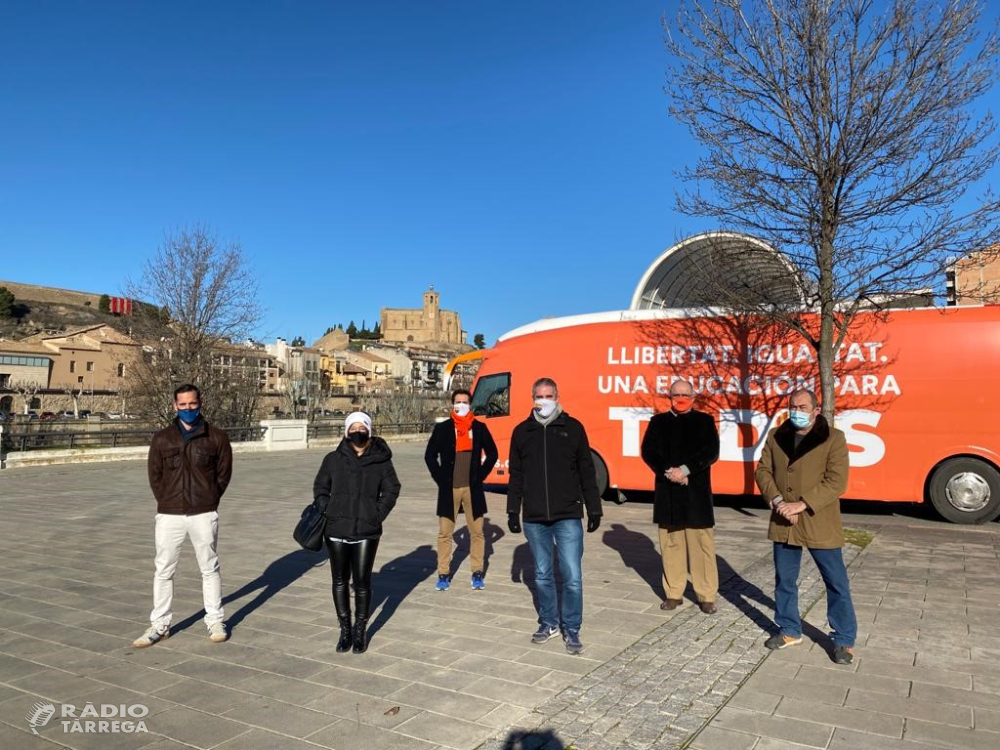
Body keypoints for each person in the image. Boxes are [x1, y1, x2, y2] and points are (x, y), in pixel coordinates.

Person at [755, 388, 857, 665]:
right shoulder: (777, 435)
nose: (796, 411)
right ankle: (789, 629)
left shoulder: (834, 438)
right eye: (792, 406)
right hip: (783, 519)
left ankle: (843, 639)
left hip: (817, 520)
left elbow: (836, 481)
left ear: (815, 409)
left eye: (802, 406)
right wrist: (777, 501)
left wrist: (801, 504)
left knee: (836, 582)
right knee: (784, 580)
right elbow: (763, 470)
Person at [507, 377, 602, 655]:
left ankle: (571, 627)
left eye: (549, 395)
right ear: (533, 398)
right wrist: (513, 510)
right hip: (535, 516)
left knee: (572, 575)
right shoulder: (522, 431)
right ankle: (548, 622)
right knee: (542, 574)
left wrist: (594, 507)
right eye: (540, 396)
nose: (544, 400)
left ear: (557, 397)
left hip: (568, 514)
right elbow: (516, 475)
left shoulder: (573, 428)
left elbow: (587, 470)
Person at [133, 384, 233, 648]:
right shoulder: (162, 438)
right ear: (175, 406)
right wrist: (166, 499)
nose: (188, 409)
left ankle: (215, 620)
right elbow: (155, 476)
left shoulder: (217, 437)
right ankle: (160, 625)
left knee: (209, 568)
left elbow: (223, 475)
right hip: (170, 513)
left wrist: (210, 498)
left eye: (193, 404)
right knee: (163, 569)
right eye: (183, 405)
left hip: (204, 511)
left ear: (200, 403)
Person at [313, 412, 400, 654]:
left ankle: (360, 630)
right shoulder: (333, 459)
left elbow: (392, 489)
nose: (358, 431)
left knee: (362, 582)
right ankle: (345, 630)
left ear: (369, 430)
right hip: (336, 529)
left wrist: (376, 514)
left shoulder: (381, 461)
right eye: (353, 427)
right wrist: (328, 509)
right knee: (340, 581)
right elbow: (320, 487)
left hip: (366, 531)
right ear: (346, 431)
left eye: (362, 427)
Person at [640, 380, 720, 614]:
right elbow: (649, 451)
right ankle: (673, 593)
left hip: (696, 492)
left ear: (694, 397)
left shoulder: (704, 421)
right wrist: (669, 472)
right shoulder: (658, 422)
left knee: (701, 546)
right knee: (671, 545)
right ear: (669, 397)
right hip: (669, 493)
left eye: (685, 394)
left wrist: (686, 470)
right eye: (676, 394)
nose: (681, 398)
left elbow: (710, 451)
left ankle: (706, 595)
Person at [425, 389, 499, 591]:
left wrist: (480, 476)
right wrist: (441, 479)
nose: (461, 404)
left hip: (472, 489)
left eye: (465, 402)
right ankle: (443, 573)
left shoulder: (479, 428)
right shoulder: (443, 429)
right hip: (449, 489)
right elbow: (430, 456)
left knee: (477, 533)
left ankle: (477, 572)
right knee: (445, 533)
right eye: (458, 401)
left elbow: (493, 453)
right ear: (452, 404)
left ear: (470, 404)